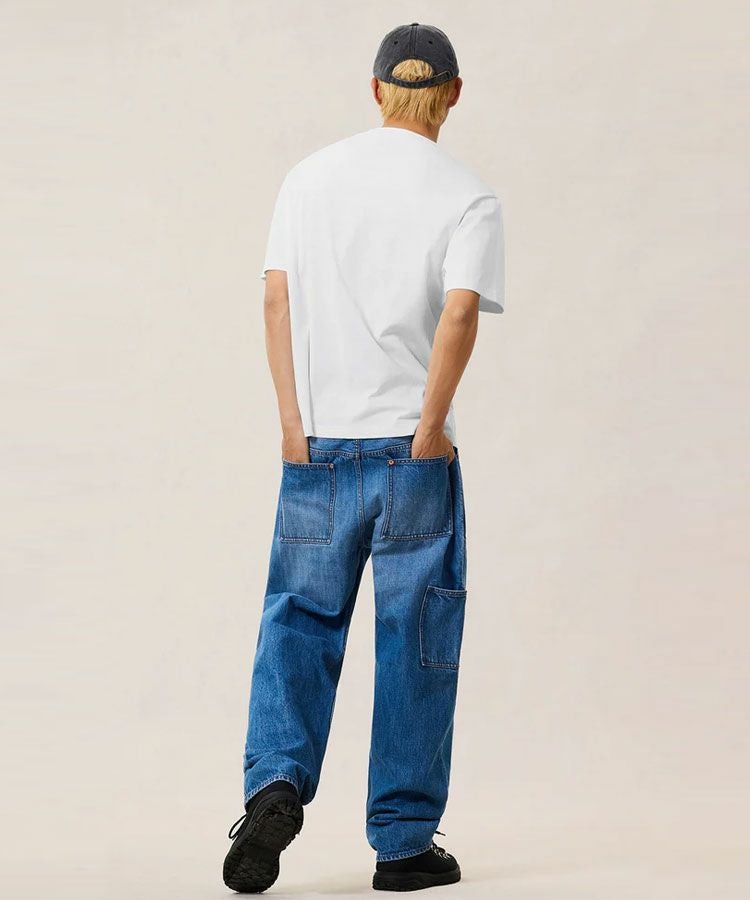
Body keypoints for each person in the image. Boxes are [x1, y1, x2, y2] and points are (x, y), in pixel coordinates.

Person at [223, 22, 504, 894]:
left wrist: (292, 426)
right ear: (453, 95)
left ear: (376, 90)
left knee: (298, 622)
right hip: (412, 454)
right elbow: (459, 312)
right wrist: (429, 427)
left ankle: (274, 785)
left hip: (317, 445)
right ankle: (404, 845)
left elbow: (276, 299)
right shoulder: (468, 196)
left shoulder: (307, 179)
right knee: (416, 639)